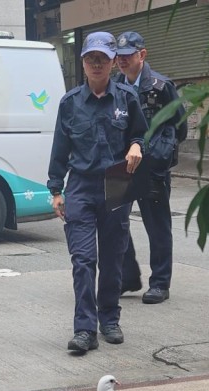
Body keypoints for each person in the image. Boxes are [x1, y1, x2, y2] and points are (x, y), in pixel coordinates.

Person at [47, 31, 148, 354]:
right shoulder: (70, 103)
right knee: (83, 260)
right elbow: (60, 150)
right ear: (83, 62)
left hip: (116, 183)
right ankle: (84, 330)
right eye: (91, 58)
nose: (96, 64)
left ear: (112, 62)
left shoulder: (126, 99)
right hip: (80, 186)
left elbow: (141, 135)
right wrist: (55, 189)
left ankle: (109, 319)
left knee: (112, 257)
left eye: (102, 58)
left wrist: (135, 145)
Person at [114, 31, 186, 305]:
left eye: (128, 55)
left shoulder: (161, 86)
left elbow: (179, 125)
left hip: (152, 165)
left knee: (157, 226)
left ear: (141, 54)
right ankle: (127, 277)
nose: (122, 60)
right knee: (115, 222)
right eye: (119, 56)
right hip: (121, 165)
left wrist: (161, 153)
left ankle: (159, 283)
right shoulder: (115, 85)